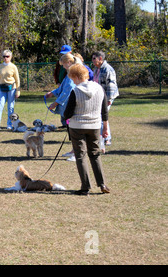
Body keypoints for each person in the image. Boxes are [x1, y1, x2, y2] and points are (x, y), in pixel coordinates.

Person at [63, 63, 111, 195]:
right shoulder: (99, 88)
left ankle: (85, 187)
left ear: (76, 77)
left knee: (80, 156)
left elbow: (68, 113)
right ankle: (102, 184)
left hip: (77, 126)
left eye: (73, 79)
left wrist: (67, 117)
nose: (73, 82)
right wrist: (105, 128)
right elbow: (104, 111)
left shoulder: (76, 91)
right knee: (95, 154)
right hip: (95, 126)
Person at [91, 51, 119, 146]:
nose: (93, 60)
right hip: (99, 97)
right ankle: (103, 137)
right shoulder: (96, 68)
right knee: (100, 116)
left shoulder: (107, 69)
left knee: (102, 116)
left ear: (100, 58)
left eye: (94, 58)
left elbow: (111, 85)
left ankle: (106, 138)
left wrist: (109, 99)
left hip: (106, 97)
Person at [0, 50, 20, 131]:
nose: (5, 58)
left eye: (7, 56)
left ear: (11, 57)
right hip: (2, 89)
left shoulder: (13, 67)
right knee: (0, 106)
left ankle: (9, 124)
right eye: (4, 56)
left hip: (12, 88)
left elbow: (17, 80)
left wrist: (18, 91)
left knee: (10, 107)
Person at [45, 53, 77, 127]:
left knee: (71, 122)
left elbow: (66, 92)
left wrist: (55, 103)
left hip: (70, 103)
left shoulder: (72, 75)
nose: (62, 66)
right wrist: (52, 93)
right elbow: (62, 88)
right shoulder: (68, 74)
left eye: (63, 64)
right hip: (68, 103)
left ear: (69, 62)